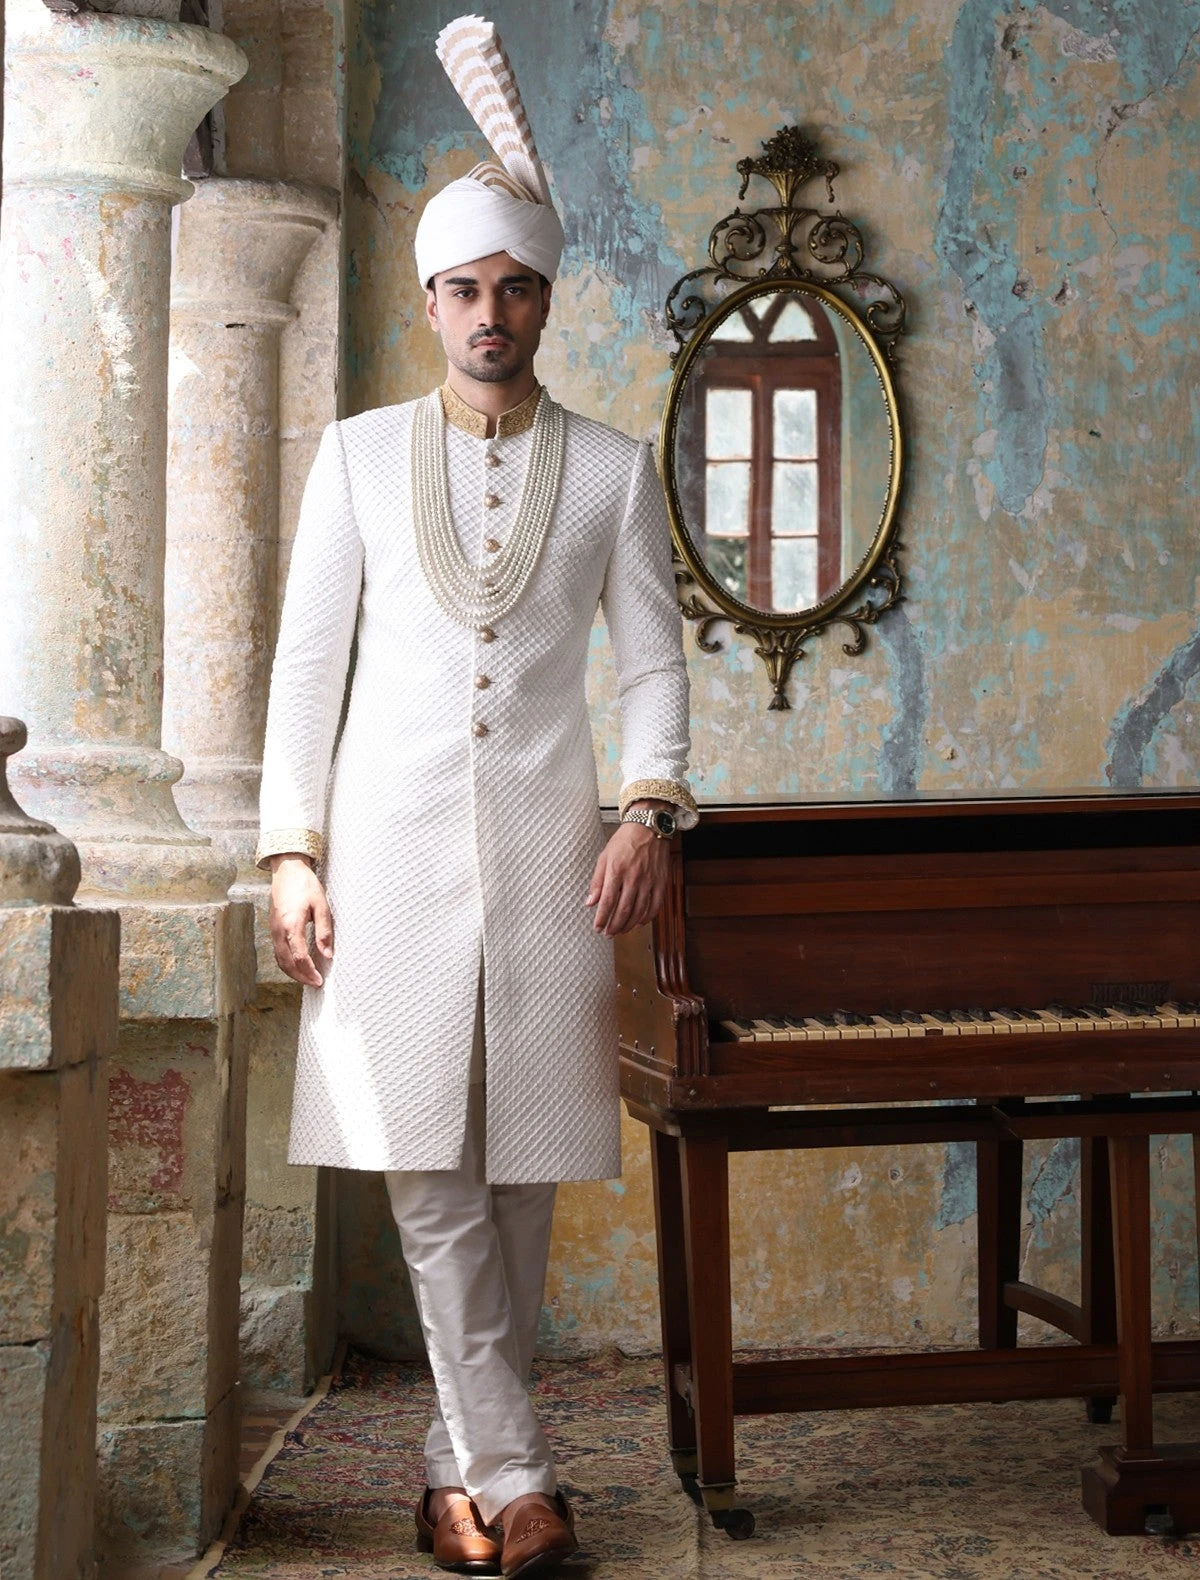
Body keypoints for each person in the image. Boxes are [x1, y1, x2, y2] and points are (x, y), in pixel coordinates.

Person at [256, 15, 696, 1577]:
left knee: (519, 1179)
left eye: (515, 288)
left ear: (545, 301)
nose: (489, 313)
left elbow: (655, 663)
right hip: (383, 862)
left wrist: (648, 808)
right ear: (430, 299)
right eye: (464, 289)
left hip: (552, 861)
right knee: (426, 1167)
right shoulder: (357, 458)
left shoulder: (614, 472)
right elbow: (306, 667)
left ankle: (457, 1475)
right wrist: (290, 850)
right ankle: (518, 1479)